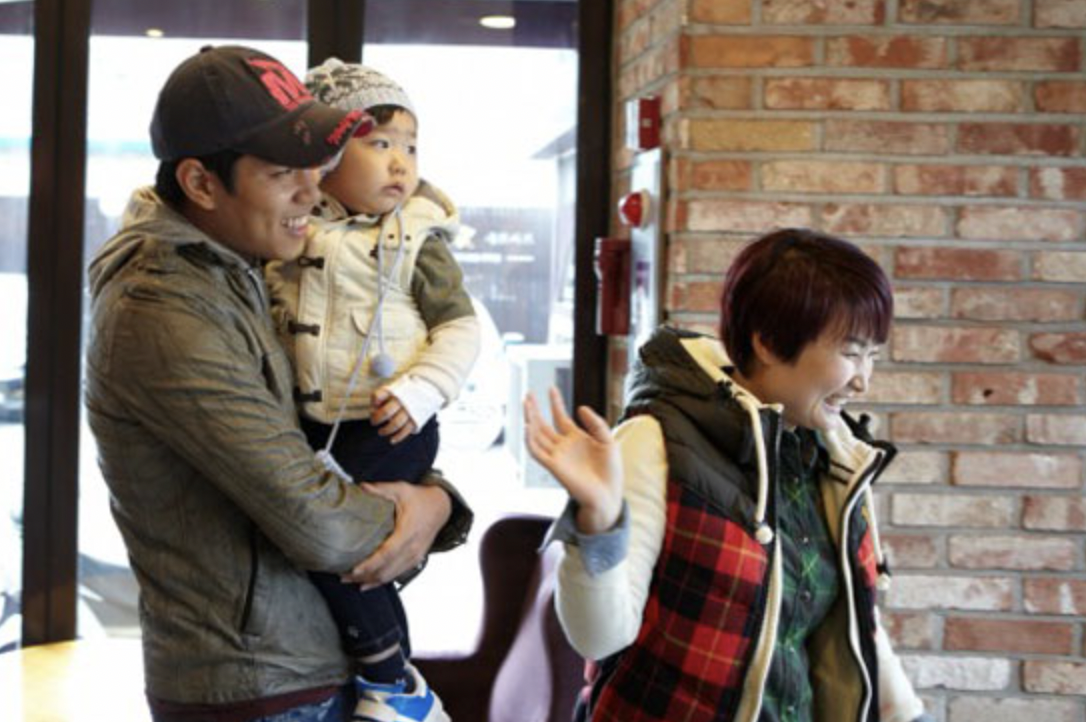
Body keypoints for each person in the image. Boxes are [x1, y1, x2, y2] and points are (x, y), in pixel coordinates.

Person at [84, 45, 472, 722]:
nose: (311, 192)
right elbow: (317, 521)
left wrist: (432, 494)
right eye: (280, 172)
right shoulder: (162, 305)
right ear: (201, 183)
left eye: (313, 165)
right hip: (256, 690)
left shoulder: (241, 268)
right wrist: (429, 510)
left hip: (299, 671)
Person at [524, 228, 935, 722]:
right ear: (768, 342)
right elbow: (598, 637)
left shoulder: (836, 460)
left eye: (873, 356)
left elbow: (855, 629)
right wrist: (598, 523)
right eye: (850, 353)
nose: (863, 381)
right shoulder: (657, 440)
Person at [263, 58, 479, 721]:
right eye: (380, 143)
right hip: (315, 428)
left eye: (410, 147)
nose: (399, 163)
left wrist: (423, 390)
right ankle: (397, 682)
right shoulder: (292, 229)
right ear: (327, 156)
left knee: (331, 541)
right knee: (339, 548)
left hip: (390, 425)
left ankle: (391, 679)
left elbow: (462, 329)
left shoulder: (418, 238)